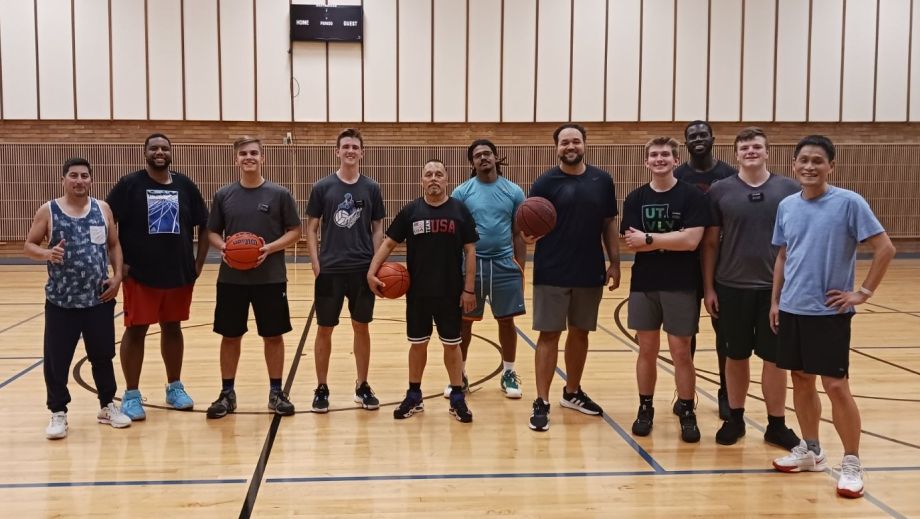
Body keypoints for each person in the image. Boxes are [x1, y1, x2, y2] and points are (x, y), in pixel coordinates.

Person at [770, 135, 895, 498]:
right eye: (804, 160)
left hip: (829, 312)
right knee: (800, 379)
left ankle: (852, 461)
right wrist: (775, 300)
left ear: (831, 167)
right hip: (792, 307)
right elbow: (783, 255)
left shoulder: (849, 203)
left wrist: (863, 293)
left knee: (836, 386)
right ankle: (811, 450)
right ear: (794, 165)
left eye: (817, 161)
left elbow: (885, 248)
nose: (809, 166)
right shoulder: (787, 206)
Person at [703, 128, 801, 448]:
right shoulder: (720, 190)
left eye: (756, 146)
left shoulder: (789, 189)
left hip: (775, 291)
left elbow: (797, 242)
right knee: (735, 355)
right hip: (731, 287)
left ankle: (776, 424)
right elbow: (710, 244)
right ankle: (735, 418)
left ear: (767, 151)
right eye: (744, 147)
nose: (750, 151)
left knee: (774, 360)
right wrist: (709, 288)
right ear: (736, 154)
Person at [25, 158, 132, 438]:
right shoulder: (49, 210)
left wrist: (117, 277)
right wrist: (47, 253)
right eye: (73, 175)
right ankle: (58, 412)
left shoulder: (103, 209)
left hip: (98, 299)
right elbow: (29, 245)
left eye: (84, 175)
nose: (79, 180)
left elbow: (114, 245)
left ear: (91, 180)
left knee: (103, 356)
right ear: (63, 180)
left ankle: (107, 406)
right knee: (57, 360)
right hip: (62, 301)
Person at [106, 134, 209, 419]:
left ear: (171, 153)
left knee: (173, 328)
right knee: (136, 330)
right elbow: (106, 221)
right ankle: (131, 394)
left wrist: (199, 263)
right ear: (145, 153)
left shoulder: (185, 185)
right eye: (154, 148)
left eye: (164, 148)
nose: (159, 152)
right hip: (140, 275)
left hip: (178, 273)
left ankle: (174, 387)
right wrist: (118, 266)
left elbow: (205, 224)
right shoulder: (129, 184)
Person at [367, 159, 479, 423]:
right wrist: (372, 271)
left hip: (450, 292)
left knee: (452, 345)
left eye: (439, 174)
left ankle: (457, 397)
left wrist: (469, 289)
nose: (434, 178)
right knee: (418, 345)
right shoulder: (411, 211)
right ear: (421, 181)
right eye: (428, 174)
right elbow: (388, 243)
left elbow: (471, 250)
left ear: (447, 180)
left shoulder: (459, 210)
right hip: (418, 293)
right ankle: (414, 395)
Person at [526, 123, 620, 432]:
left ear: (584, 144)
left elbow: (608, 224)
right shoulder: (544, 182)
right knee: (549, 335)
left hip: (589, 269)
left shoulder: (602, 181)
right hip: (551, 270)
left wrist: (615, 262)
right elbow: (529, 223)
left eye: (575, 141)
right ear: (556, 148)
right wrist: (527, 234)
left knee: (580, 333)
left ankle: (572, 392)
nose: (570, 146)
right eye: (565, 142)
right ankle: (541, 400)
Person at [205, 137, 302, 419]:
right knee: (230, 336)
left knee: (273, 335)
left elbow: (295, 231)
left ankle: (276, 392)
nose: (249, 157)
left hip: (270, 278)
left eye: (254, 153)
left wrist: (269, 248)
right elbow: (212, 232)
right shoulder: (224, 194)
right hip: (231, 279)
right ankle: (227, 393)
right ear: (236, 159)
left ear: (263, 158)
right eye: (243, 153)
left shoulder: (279, 194)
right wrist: (223, 247)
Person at [621, 137, 710, 443]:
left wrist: (650, 239)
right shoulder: (635, 198)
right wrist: (670, 239)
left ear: (676, 160)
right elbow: (631, 242)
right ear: (646, 162)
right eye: (654, 155)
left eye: (665, 155)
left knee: (681, 351)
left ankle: (686, 409)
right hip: (644, 283)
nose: (660, 159)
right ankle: (645, 407)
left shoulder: (692, 196)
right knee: (646, 349)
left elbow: (692, 241)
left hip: (681, 283)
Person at [305, 129, 385, 413]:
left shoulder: (372, 188)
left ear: (362, 152)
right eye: (346, 146)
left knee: (361, 326)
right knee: (324, 328)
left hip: (362, 269)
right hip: (330, 270)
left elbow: (378, 227)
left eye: (355, 147)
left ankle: (362, 385)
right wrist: (315, 262)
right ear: (337, 152)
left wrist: (375, 264)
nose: (350, 151)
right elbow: (311, 227)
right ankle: (321, 387)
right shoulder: (322, 187)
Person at [448, 139, 527, 399]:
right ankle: (460, 374)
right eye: (478, 155)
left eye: (487, 153)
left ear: (495, 157)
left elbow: (518, 233)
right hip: (472, 266)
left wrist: (520, 267)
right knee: (464, 323)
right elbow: (455, 236)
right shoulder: (462, 192)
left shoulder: (514, 191)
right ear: (472, 162)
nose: (483, 158)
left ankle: (509, 372)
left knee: (506, 321)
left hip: (504, 264)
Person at [674, 120, 737, 419]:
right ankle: (685, 393)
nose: (698, 139)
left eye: (703, 134)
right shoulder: (678, 176)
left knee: (723, 333)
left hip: (722, 264)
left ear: (713, 138)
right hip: (685, 264)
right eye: (692, 136)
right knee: (685, 335)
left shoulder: (729, 176)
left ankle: (727, 392)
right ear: (685, 142)